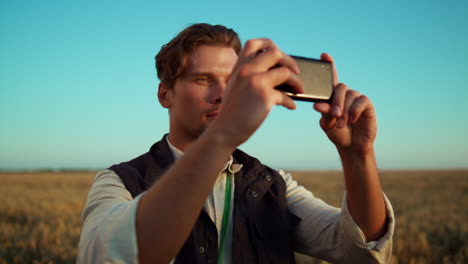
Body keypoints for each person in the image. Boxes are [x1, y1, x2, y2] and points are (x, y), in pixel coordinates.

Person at [77, 23, 394, 264]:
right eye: (203, 79)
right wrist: (225, 132)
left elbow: (359, 251)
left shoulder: (270, 183)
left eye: (232, 81)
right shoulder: (119, 181)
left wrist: (358, 156)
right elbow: (105, 256)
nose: (221, 94)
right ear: (165, 94)